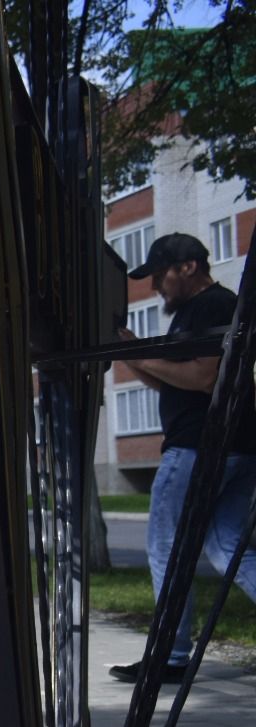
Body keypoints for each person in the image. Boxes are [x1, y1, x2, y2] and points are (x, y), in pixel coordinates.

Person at [108, 233, 256, 683]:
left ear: (188, 267)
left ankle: (169, 656)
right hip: (237, 445)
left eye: (160, 275)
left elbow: (203, 377)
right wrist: (132, 351)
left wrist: (141, 350)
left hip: (199, 445)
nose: (156, 286)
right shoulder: (197, 312)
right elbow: (171, 382)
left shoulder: (212, 306)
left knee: (166, 547)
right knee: (227, 546)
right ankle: (170, 653)